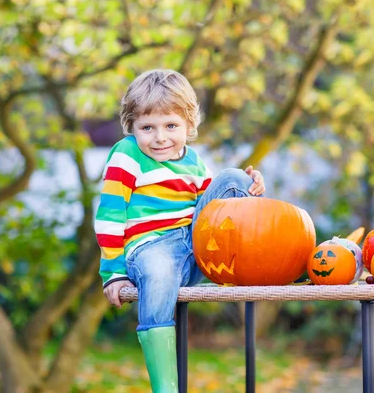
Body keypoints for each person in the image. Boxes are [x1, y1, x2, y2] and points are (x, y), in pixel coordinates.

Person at [95, 69, 265, 392]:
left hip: (196, 246)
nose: (160, 137)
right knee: (158, 271)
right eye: (148, 128)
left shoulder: (195, 162)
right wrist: (113, 273)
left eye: (171, 126)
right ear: (131, 127)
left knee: (233, 179)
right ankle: (165, 386)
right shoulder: (127, 155)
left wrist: (249, 186)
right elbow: (110, 217)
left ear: (189, 125)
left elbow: (214, 207)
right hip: (150, 249)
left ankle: (267, 258)